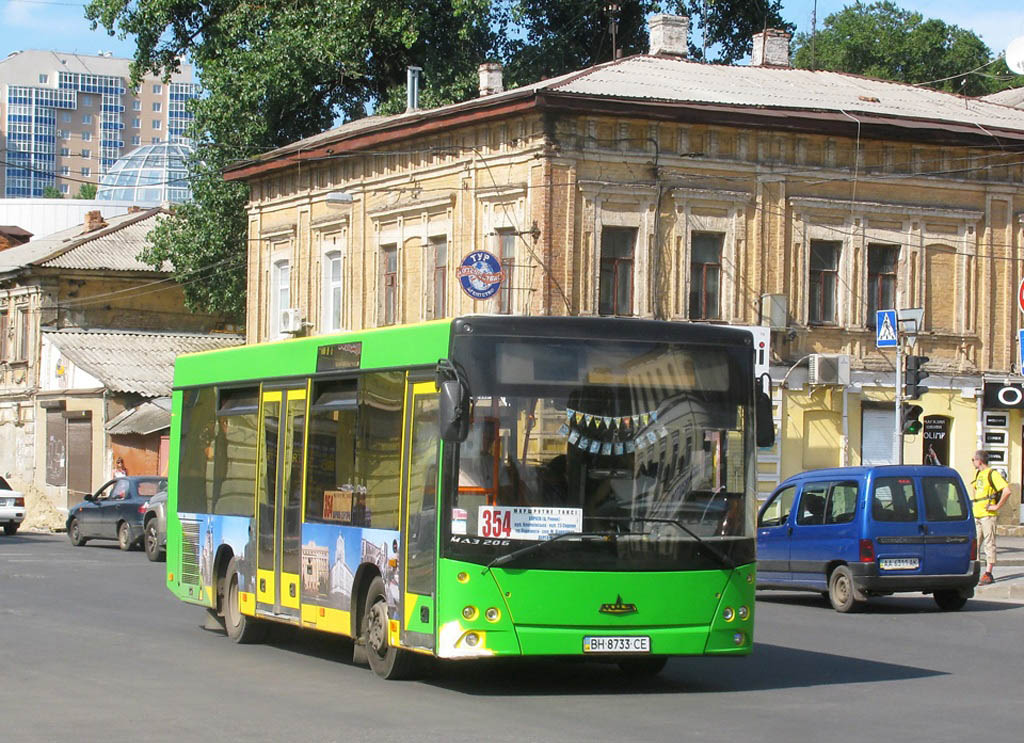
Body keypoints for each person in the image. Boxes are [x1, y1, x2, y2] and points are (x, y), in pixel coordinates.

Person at [969, 450, 1012, 585]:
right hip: (977, 514)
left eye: (973, 459)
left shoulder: (992, 474)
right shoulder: (978, 473)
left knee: (989, 544)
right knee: (974, 546)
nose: (972, 462)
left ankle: (988, 573)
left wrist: (996, 506)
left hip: (988, 515)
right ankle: (975, 572)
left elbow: (1007, 491)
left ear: (979, 461)